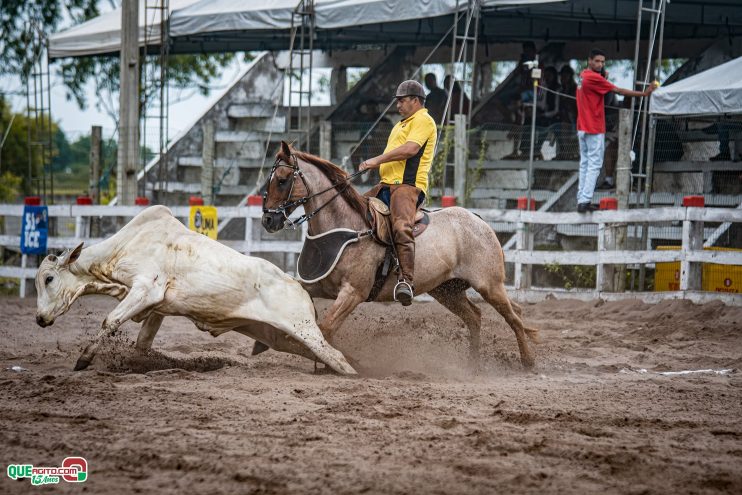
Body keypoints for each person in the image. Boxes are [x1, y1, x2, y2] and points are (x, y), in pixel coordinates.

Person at [359, 80, 437, 306]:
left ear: (415, 100)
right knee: (353, 209)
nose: (398, 105)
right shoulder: (399, 125)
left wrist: (376, 160)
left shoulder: (424, 120)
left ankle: (406, 280)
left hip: (408, 187)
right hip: (386, 185)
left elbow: (410, 150)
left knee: (401, 226)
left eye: (402, 101)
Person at [575, 48, 657, 212]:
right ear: (589, 61)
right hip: (593, 126)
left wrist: (602, 75)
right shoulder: (593, 78)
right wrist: (643, 93)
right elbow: (619, 90)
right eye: (597, 61)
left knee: (585, 164)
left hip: (582, 127)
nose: (600, 64)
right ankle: (584, 200)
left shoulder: (583, 75)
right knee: (594, 165)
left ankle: (581, 199)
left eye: (603, 62)